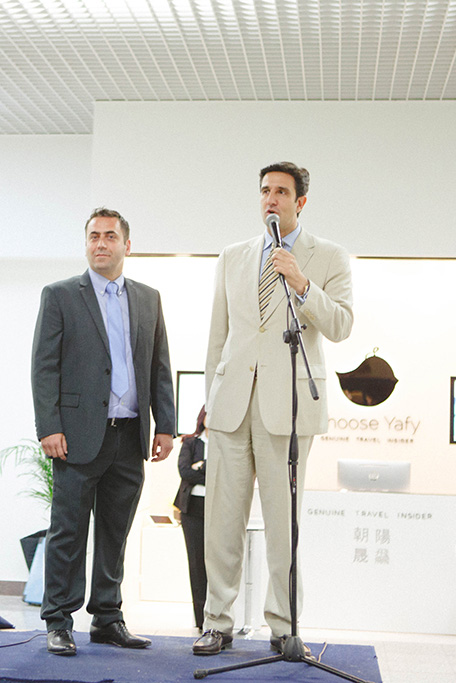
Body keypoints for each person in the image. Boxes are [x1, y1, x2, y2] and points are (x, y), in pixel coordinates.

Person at [193, 162, 353, 656]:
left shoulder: (328, 256)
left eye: (281, 191)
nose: (271, 199)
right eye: (265, 190)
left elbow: (341, 325)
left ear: (300, 202)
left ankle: (283, 625)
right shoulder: (232, 256)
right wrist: (212, 398)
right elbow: (218, 337)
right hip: (231, 407)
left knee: (283, 525)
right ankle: (216, 621)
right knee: (221, 522)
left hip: (287, 409)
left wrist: (302, 284)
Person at [31, 208, 175, 656]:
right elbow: (44, 366)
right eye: (94, 236)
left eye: (110, 236)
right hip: (76, 437)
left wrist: (166, 426)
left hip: (129, 435)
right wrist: (49, 427)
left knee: (115, 533)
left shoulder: (148, 298)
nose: (100, 243)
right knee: (68, 533)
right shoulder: (60, 296)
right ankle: (59, 620)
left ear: (126, 245)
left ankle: (108, 618)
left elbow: (159, 365)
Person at [173, 406, 208, 630]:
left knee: (218, 563)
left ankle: (218, 617)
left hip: (218, 507)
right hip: (192, 508)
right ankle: (200, 619)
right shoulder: (191, 443)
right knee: (196, 562)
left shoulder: (226, 444)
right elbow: (185, 472)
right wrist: (208, 472)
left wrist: (201, 467)